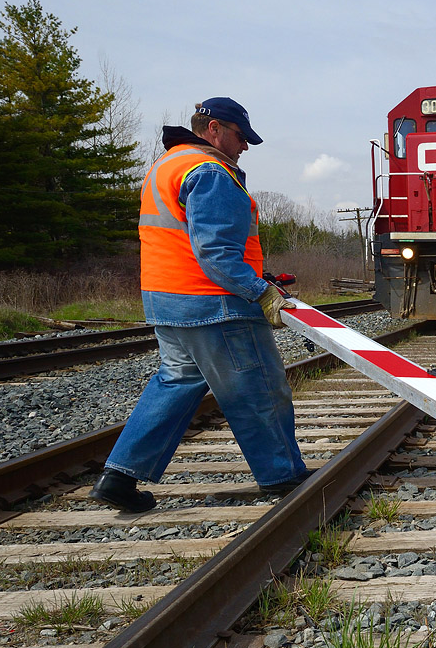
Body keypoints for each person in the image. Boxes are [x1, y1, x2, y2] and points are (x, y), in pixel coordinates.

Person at [89, 97, 310, 512]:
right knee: (258, 388)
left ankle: (118, 477)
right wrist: (260, 292)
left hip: (167, 301)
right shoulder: (210, 171)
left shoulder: (166, 166)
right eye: (241, 137)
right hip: (214, 304)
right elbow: (216, 252)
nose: (244, 147)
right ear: (214, 130)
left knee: (175, 383)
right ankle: (283, 476)